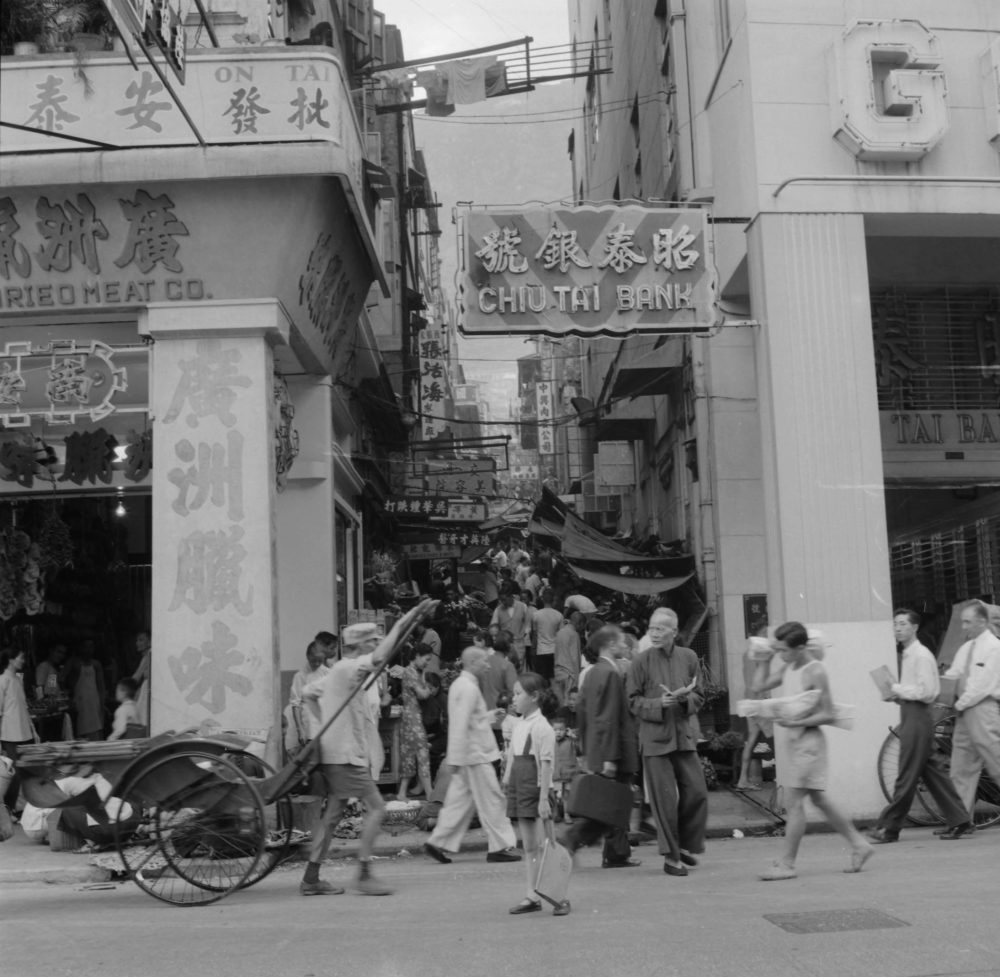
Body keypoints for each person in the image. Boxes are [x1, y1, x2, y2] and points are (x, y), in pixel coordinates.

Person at [298, 599, 434, 897]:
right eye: (372, 641)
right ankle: (363, 873)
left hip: (339, 754)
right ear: (360, 645)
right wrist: (407, 618)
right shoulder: (348, 668)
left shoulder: (337, 672)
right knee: (377, 809)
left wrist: (323, 729)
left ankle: (311, 877)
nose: (375, 646)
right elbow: (381, 656)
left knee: (332, 816)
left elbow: (308, 694)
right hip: (346, 756)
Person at [756, 621, 874, 880]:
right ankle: (859, 844)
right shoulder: (790, 665)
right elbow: (759, 685)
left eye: (784, 650)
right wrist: (764, 659)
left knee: (795, 802)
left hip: (809, 742)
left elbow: (828, 712)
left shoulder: (815, 670)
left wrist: (795, 721)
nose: (781, 655)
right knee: (818, 799)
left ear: (800, 648)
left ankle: (787, 864)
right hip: (796, 741)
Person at [866, 609, 971, 843]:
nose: (898, 628)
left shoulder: (921, 655)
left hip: (918, 717)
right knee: (932, 772)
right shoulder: (909, 654)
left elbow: (926, 692)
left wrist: (896, 690)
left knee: (906, 774)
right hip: (912, 714)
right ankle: (960, 819)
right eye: (896, 624)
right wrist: (898, 694)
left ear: (915, 627)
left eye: (903, 624)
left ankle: (889, 827)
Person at [423, 646, 521, 865]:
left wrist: (487, 716)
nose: (487, 665)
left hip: (470, 754)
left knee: (460, 803)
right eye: (484, 661)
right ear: (473, 662)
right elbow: (459, 724)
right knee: (493, 801)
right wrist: (455, 759)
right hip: (475, 755)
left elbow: (467, 720)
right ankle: (500, 846)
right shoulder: (467, 687)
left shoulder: (463, 685)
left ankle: (438, 841)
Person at [627, 608, 706, 877]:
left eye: (661, 628)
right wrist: (658, 704)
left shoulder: (689, 657)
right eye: (652, 627)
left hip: (683, 736)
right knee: (665, 800)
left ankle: (684, 844)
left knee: (697, 792)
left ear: (674, 631)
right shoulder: (641, 661)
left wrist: (684, 699)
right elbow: (632, 701)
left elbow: (700, 695)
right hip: (655, 739)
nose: (655, 633)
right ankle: (671, 857)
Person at [564, 625, 639, 868]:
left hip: (597, 749)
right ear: (609, 645)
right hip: (613, 751)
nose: (625, 645)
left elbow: (584, 713)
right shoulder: (610, 673)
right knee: (608, 807)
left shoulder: (592, 672)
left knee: (610, 805)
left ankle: (615, 853)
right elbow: (608, 717)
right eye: (620, 642)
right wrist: (609, 758)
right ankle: (572, 840)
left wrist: (588, 750)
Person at [503, 672, 570, 917]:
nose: (514, 698)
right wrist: (507, 779)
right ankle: (532, 895)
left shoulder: (542, 728)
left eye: (519, 693)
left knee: (548, 846)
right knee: (530, 847)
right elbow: (512, 756)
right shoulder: (519, 724)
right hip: (521, 788)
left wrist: (543, 800)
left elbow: (546, 766)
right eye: (514, 693)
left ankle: (560, 896)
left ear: (534, 697)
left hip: (538, 791)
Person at [940, 599, 1000, 834]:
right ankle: (961, 821)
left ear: (982, 621)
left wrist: (959, 704)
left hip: (982, 709)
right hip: (965, 711)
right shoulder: (966, 649)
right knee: (960, 767)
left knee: (996, 763)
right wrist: (940, 693)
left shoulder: (994, 647)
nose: (963, 627)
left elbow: (981, 686)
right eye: (963, 622)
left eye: (968, 622)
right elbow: (953, 674)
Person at [394, 645, 435, 802]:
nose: (427, 663)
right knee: (422, 754)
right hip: (413, 718)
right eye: (426, 659)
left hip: (409, 718)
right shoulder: (411, 672)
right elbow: (423, 694)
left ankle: (402, 793)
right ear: (417, 655)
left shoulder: (410, 672)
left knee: (409, 755)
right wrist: (428, 686)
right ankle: (430, 794)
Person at [0, 649, 37, 814]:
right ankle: (10, 807)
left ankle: (19, 807)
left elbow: (24, 707)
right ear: (11, 659)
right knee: (13, 771)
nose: (23, 660)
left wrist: (33, 729)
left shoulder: (17, 679)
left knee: (24, 770)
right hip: (10, 732)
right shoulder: (3, 680)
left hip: (23, 731)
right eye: (21, 657)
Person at [737, 629, 773, 790]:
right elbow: (760, 680)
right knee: (778, 735)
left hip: (748, 700)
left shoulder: (746, 654)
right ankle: (784, 777)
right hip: (760, 701)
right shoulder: (761, 653)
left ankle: (743, 778)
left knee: (750, 742)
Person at [286, 641, 329, 756]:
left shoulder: (327, 673)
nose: (316, 663)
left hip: (325, 721)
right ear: (308, 657)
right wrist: (300, 730)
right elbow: (296, 704)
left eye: (320, 661)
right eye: (313, 660)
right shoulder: (300, 676)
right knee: (310, 757)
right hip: (308, 725)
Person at [66, 639, 106, 741]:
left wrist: (102, 704)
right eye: (85, 646)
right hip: (80, 703)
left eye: (91, 647)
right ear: (80, 648)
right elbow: (58, 679)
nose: (88, 650)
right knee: (81, 731)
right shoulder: (73, 663)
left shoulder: (96, 664)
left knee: (95, 730)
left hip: (94, 703)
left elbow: (101, 686)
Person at [491, 585, 530, 672]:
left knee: (520, 668)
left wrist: (524, 634)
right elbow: (494, 626)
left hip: (519, 643)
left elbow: (528, 624)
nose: (502, 602)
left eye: (504, 599)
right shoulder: (498, 610)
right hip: (505, 645)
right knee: (507, 668)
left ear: (510, 596)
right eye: (501, 600)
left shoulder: (523, 606)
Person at [34, 643, 68, 742]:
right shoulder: (43, 666)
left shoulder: (52, 669)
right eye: (58, 652)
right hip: (47, 714)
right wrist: (43, 708)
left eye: (63, 653)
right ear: (51, 651)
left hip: (54, 711)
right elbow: (39, 688)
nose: (61, 655)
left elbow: (51, 689)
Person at [551, 711, 578, 823]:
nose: (558, 732)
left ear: (566, 730)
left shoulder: (570, 741)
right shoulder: (550, 742)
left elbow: (580, 751)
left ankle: (567, 814)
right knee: (554, 795)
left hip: (568, 773)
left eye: (561, 730)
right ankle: (556, 813)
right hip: (555, 774)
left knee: (566, 796)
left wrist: (575, 738)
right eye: (555, 730)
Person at [532, 589, 562, 681]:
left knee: (542, 678)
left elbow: (535, 635)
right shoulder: (559, 615)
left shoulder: (536, 615)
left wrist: (533, 649)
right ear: (553, 600)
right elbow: (561, 635)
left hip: (541, 650)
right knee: (553, 678)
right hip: (554, 650)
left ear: (542, 599)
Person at [553, 611, 583, 705]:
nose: (582, 628)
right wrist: (577, 679)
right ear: (579, 623)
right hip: (569, 673)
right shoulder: (574, 634)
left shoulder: (560, 632)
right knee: (568, 702)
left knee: (560, 701)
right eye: (583, 625)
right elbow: (575, 658)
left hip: (558, 671)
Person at [132, 631, 151, 728]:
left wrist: (125, 688)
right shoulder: (147, 655)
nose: (137, 643)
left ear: (150, 642)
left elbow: (137, 676)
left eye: (141, 640)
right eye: (137, 640)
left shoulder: (149, 655)